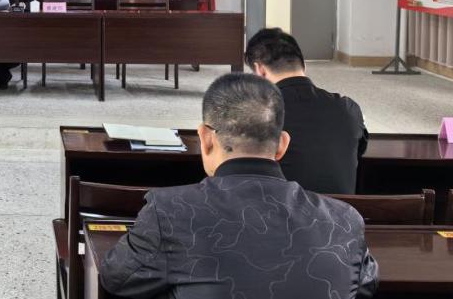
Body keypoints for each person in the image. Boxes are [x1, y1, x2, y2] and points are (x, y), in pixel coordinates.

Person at [101, 73, 378, 298]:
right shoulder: (345, 220)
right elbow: (364, 286)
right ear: (282, 145)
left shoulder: (169, 212)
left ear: (205, 139)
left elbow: (116, 277)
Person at [245, 27, 368, 194]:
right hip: (341, 209)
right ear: (303, 65)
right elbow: (358, 151)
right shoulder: (348, 109)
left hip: (280, 209)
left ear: (260, 70)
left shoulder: (255, 114)